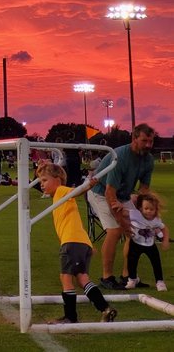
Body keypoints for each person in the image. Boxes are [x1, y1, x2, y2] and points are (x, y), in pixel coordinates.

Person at [38, 163, 117, 325]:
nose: (41, 184)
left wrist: (88, 184)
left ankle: (70, 317)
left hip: (71, 243)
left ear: (58, 179)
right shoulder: (57, 197)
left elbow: (76, 192)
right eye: (40, 180)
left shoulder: (61, 191)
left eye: (45, 180)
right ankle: (105, 309)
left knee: (66, 278)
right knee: (82, 278)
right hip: (81, 243)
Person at [87, 123, 155, 290]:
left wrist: (143, 213)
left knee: (135, 232)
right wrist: (122, 220)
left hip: (123, 195)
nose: (148, 145)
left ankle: (128, 276)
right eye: (144, 141)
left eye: (151, 141)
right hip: (101, 193)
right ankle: (107, 277)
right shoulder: (120, 156)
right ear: (134, 138)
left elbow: (144, 189)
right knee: (116, 230)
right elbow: (110, 192)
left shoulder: (149, 160)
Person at [126, 192, 169, 291]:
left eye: (151, 209)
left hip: (150, 244)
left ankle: (160, 281)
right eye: (146, 209)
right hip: (135, 243)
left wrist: (165, 240)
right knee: (131, 261)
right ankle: (132, 279)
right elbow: (125, 213)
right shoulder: (135, 214)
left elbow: (165, 229)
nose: (148, 211)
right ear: (141, 208)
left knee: (156, 262)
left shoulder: (156, 220)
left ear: (155, 210)